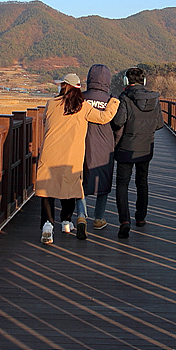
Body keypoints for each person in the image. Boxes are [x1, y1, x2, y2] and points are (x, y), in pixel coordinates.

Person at [35, 73, 119, 244]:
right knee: (69, 189)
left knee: (47, 191)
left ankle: (47, 226)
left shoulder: (51, 104)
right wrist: (114, 102)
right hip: (71, 156)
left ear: (64, 86)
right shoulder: (83, 106)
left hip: (50, 152)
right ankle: (66, 222)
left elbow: (45, 122)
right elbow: (104, 118)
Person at [110, 67, 164, 239]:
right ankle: (140, 217)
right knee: (142, 182)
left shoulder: (125, 99)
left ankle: (124, 221)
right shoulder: (154, 99)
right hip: (146, 147)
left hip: (126, 146)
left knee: (122, 184)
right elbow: (160, 124)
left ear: (126, 81)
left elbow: (118, 121)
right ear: (144, 81)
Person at [76, 64, 115, 232]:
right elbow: (118, 124)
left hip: (81, 143)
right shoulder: (112, 100)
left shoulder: (79, 98)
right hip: (105, 145)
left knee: (80, 179)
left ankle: (81, 215)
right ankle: (98, 218)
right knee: (103, 180)